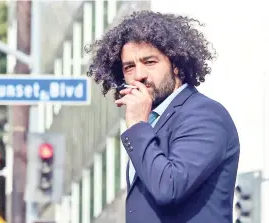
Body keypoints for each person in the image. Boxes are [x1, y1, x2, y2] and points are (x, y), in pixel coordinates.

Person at [86, 11, 240, 223]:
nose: (139, 75)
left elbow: (169, 187)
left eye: (149, 62)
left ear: (176, 65)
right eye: (129, 67)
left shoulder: (204, 115)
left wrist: (139, 125)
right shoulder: (154, 121)